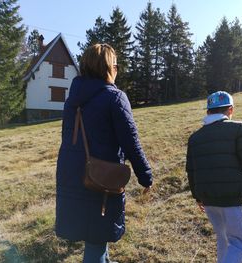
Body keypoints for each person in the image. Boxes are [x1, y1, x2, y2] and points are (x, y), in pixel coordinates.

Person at [55, 44, 153, 263]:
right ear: (109, 67)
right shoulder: (115, 98)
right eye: (115, 65)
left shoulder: (73, 100)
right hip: (101, 176)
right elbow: (131, 142)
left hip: (71, 174)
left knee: (94, 231)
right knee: (97, 237)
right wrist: (145, 175)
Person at [186, 91, 242, 263]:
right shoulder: (239, 129)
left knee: (224, 240)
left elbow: (191, 170)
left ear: (208, 111)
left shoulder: (195, 138)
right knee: (240, 243)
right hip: (232, 198)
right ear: (230, 109)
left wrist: (197, 197)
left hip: (208, 199)